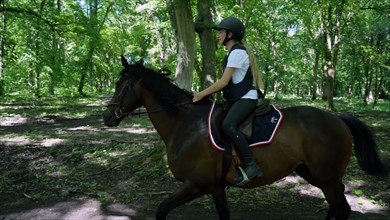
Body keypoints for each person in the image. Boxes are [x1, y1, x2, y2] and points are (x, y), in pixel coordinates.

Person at [192, 16, 264, 185]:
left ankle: (251, 164)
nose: (218, 36)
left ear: (230, 34)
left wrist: (201, 94)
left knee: (228, 125)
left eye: (221, 32)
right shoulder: (234, 52)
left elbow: (223, 82)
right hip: (238, 98)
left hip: (247, 98)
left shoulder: (237, 52)